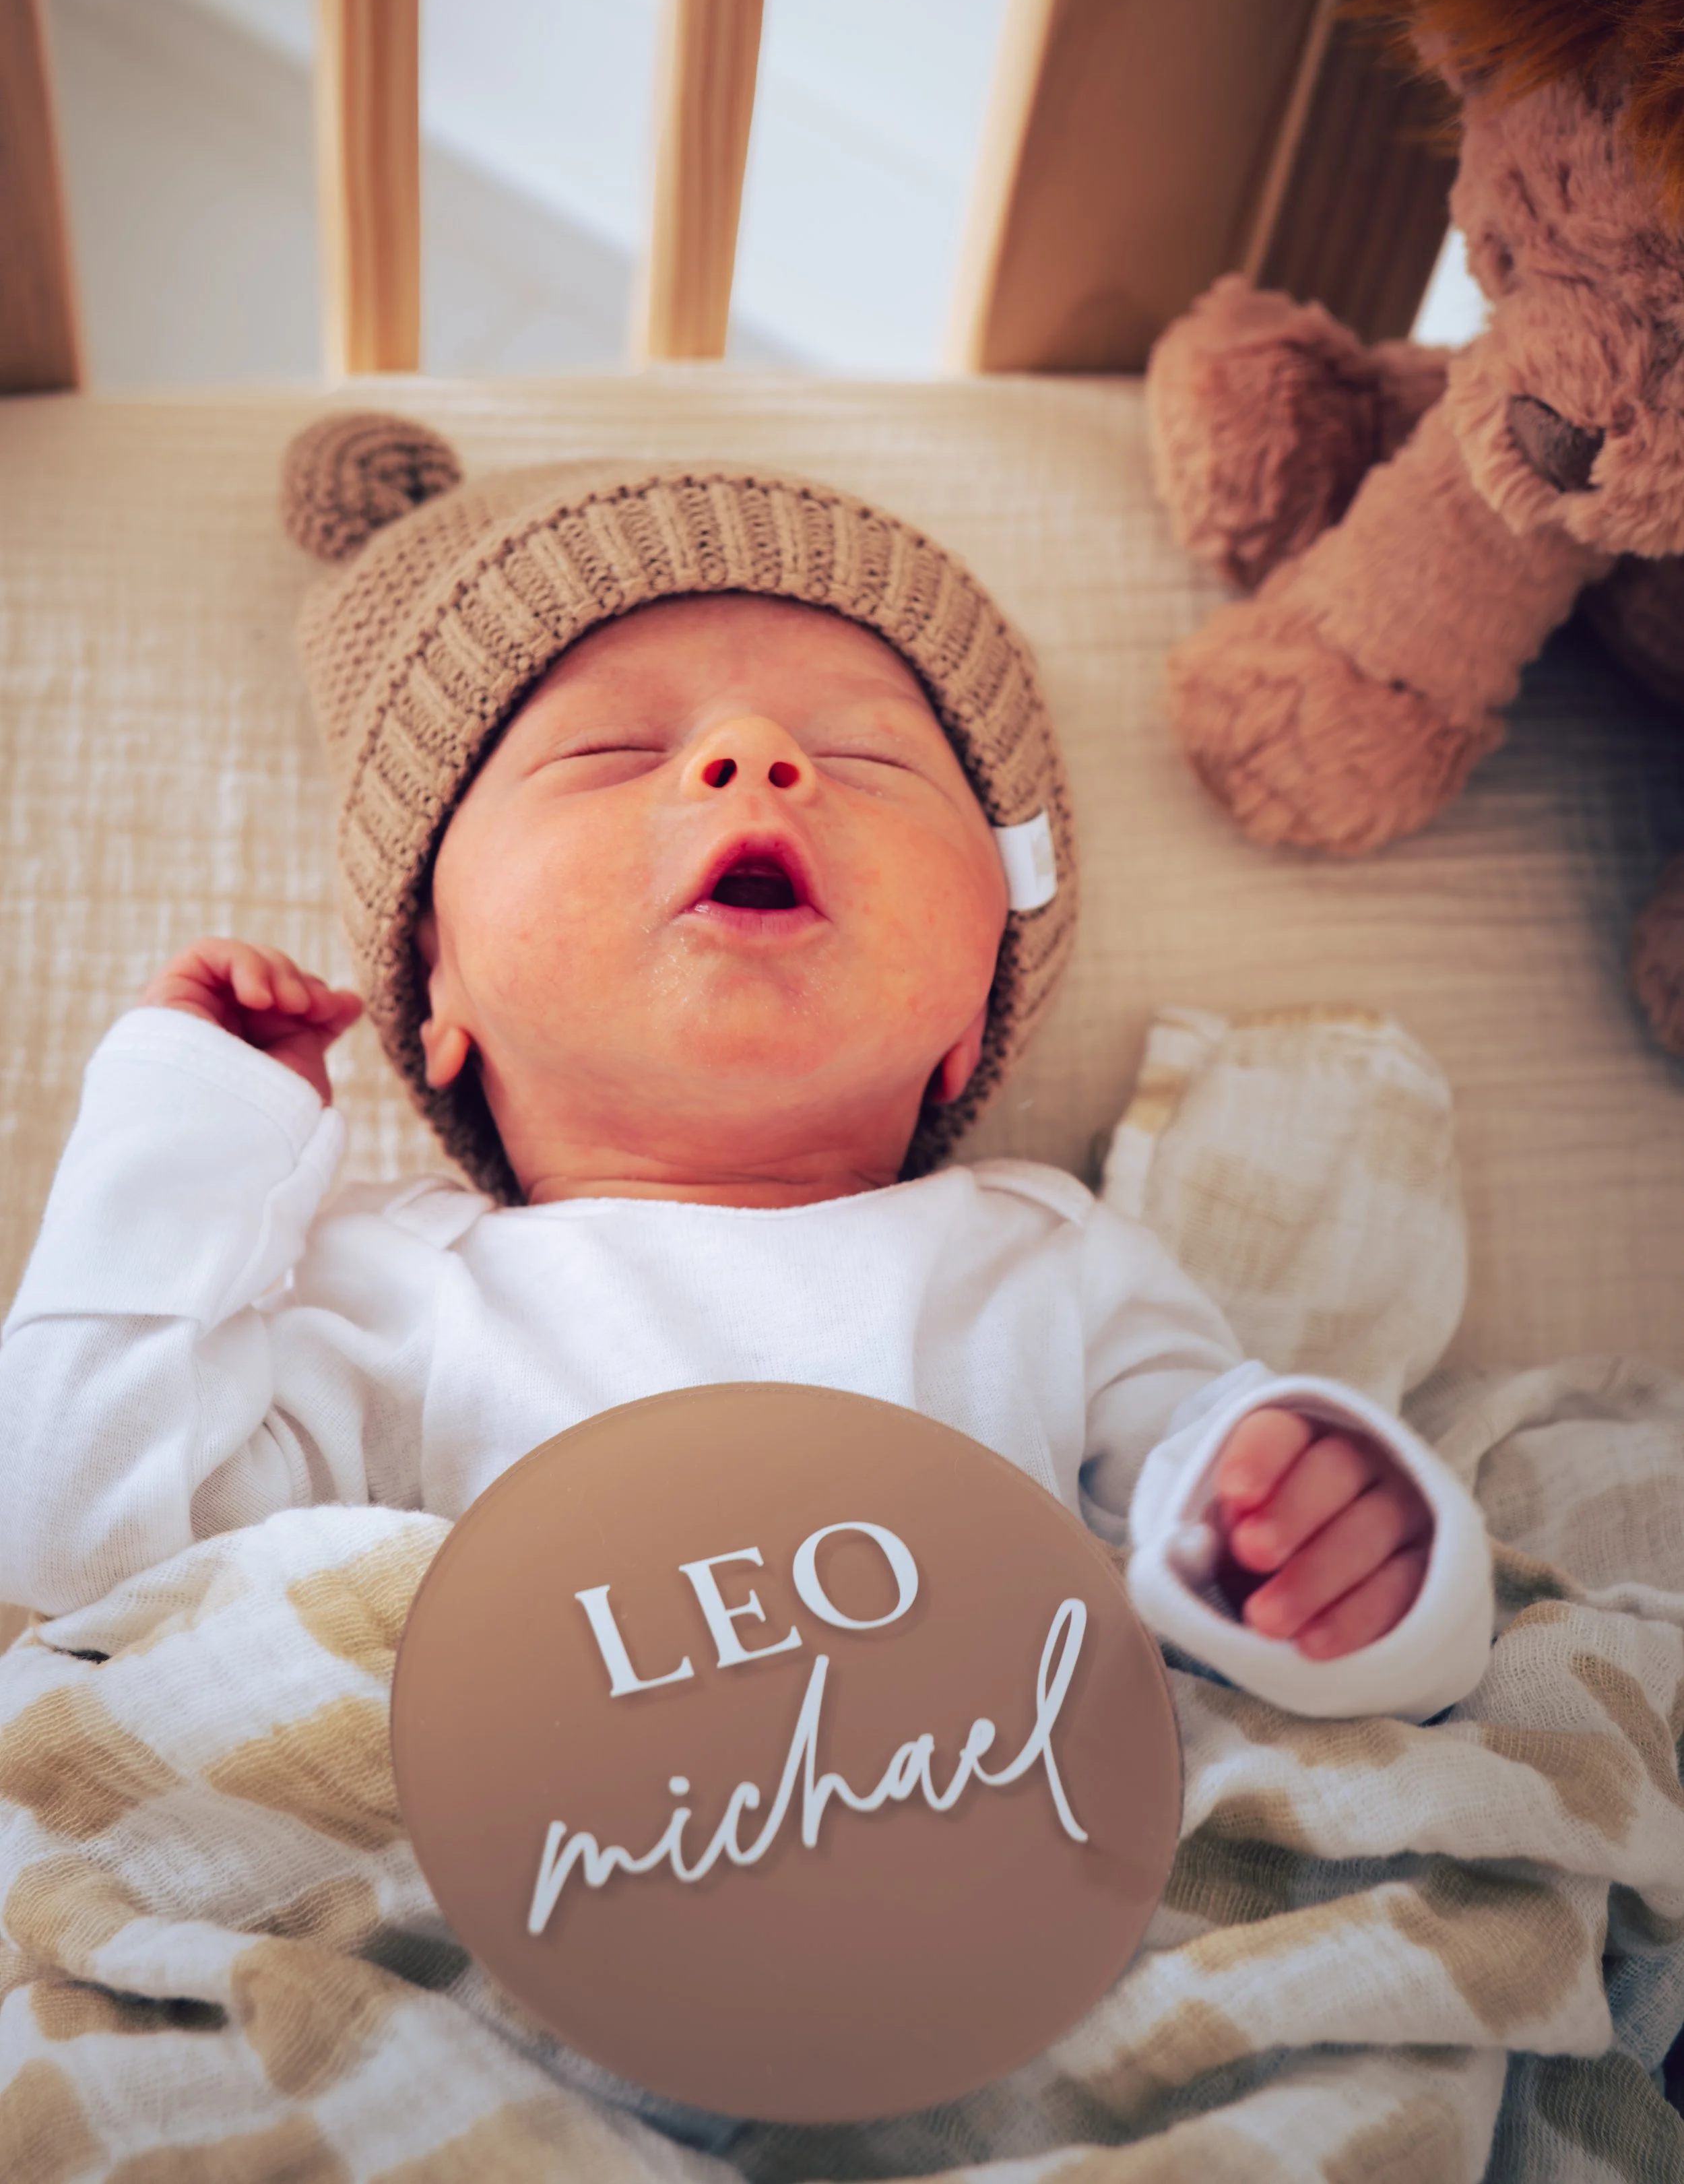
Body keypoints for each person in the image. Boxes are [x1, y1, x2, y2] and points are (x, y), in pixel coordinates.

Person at [0, 421, 1493, 1726]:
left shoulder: (1047, 1264)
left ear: (975, 1005)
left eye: (867, 755)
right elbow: (84, 1538)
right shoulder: (391, 1295)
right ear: (435, 980)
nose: (752, 755)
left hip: (974, 1915)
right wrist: (185, 1127)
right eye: (609, 749)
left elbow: (1269, 1588)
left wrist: (1345, 1550)